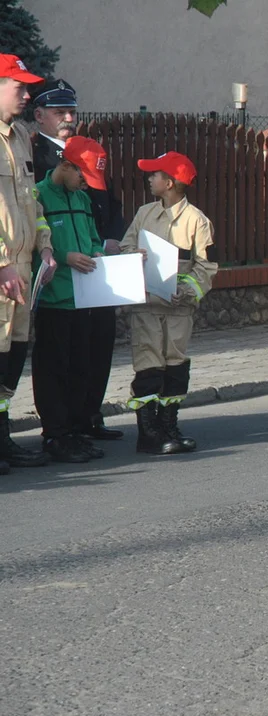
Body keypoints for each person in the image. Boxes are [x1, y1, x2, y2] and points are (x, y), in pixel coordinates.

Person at [30, 78, 126, 442]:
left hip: (95, 265)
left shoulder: (89, 153)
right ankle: (61, 425)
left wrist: (110, 238)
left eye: (72, 111)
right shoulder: (35, 157)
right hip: (61, 274)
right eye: (60, 112)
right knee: (59, 354)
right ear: (39, 116)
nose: (68, 118)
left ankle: (89, 415)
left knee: (96, 345)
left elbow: (107, 203)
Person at [120, 152, 217, 455]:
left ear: (171, 183)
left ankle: (168, 426)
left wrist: (187, 292)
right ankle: (148, 435)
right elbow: (124, 247)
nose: (149, 179)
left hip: (177, 310)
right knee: (148, 366)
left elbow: (206, 268)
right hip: (147, 307)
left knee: (175, 368)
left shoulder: (197, 222)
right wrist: (134, 254)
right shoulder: (144, 213)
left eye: (155, 174)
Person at [31, 137, 110, 462]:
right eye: (82, 175)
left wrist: (99, 251)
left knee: (80, 367)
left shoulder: (81, 197)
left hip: (84, 297)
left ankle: (75, 431)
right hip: (54, 299)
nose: (84, 183)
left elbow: (92, 238)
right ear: (66, 165)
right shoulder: (38, 196)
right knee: (53, 369)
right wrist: (65, 256)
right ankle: (55, 435)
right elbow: (34, 244)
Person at [0, 55, 57, 473]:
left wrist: (46, 246)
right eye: (18, 85)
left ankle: (3, 441)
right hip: (3, 269)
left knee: (12, 357)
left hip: (21, 269)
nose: (26, 93)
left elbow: (31, 200)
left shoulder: (20, 135)